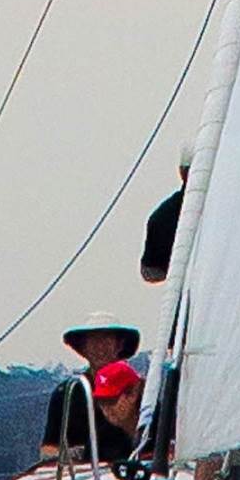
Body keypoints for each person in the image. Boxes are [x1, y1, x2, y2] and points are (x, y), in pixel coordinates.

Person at [39, 313, 140, 461]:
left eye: (107, 339)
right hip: (79, 472)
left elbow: (157, 443)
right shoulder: (67, 392)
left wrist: (127, 423)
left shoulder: (138, 390)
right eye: (93, 341)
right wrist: (72, 455)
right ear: (83, 348)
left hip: (130, 469)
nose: (100, 347)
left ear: (120, 345)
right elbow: (48, 448)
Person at [140, 144, 192, 283]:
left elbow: (151, 272)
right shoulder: (163, 217)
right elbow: (151, 272)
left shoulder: (161, 217)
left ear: (182, 172)